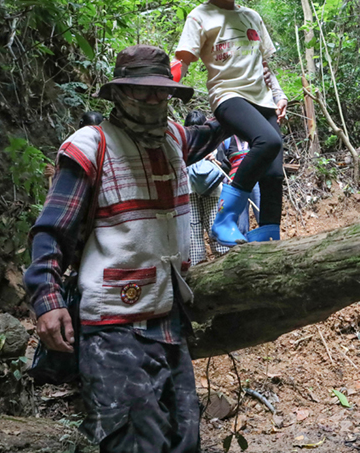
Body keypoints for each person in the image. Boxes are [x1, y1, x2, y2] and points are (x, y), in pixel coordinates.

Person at [24, 45, 229, 452]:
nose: (153, 99)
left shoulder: (174, 138)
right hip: (111, 328)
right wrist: (47, 300)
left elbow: (212, 131)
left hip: (168, 319)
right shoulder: (91, 146)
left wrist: (246, 97)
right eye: (141, 89)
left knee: (184, 440)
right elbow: (51, 231)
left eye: (161, 90)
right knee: (135, 442)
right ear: (118, 93)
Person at [174, 0, 287, 246]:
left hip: (263, 99)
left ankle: (267, 233)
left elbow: (264, 65)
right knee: (268, 142)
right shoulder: (201, 16)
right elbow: (182, 61)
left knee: (273, 173)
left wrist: (279, 96)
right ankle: (225, 218)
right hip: (228, 96)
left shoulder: (252, 17)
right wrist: (162, 90)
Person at [184, 109, 232, 265]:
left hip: (212, 191)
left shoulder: (215, 143)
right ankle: (196, 266)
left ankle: (223, 262)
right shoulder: (183, 145)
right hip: (190, 192)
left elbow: (226, 167)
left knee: (214, 226)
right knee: (193, 230)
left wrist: (216, 160)